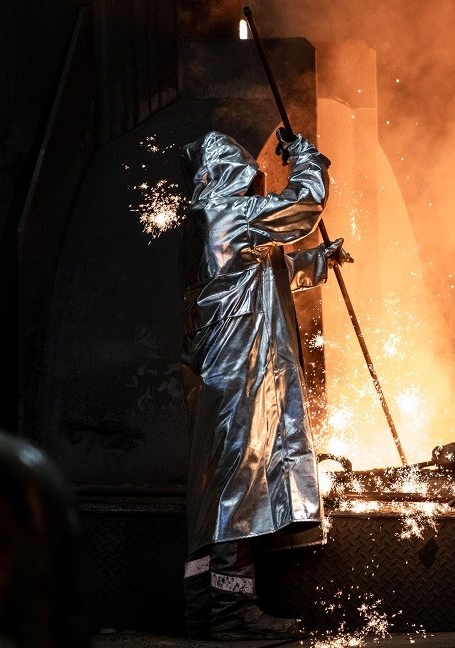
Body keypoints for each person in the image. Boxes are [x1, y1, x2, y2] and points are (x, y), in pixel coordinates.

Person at [177, 129, 351, 640]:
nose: (257, 186)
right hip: (241, 373)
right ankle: (233, 614)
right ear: (231, 177)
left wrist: (319, 262)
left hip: (224, 375)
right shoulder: (231, 212)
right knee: (238, 489)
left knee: (217, 491)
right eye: (250, 179)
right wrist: (306, 157)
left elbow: (260, 272)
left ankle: (202, 607)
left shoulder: (211, 220)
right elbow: (304, 206)